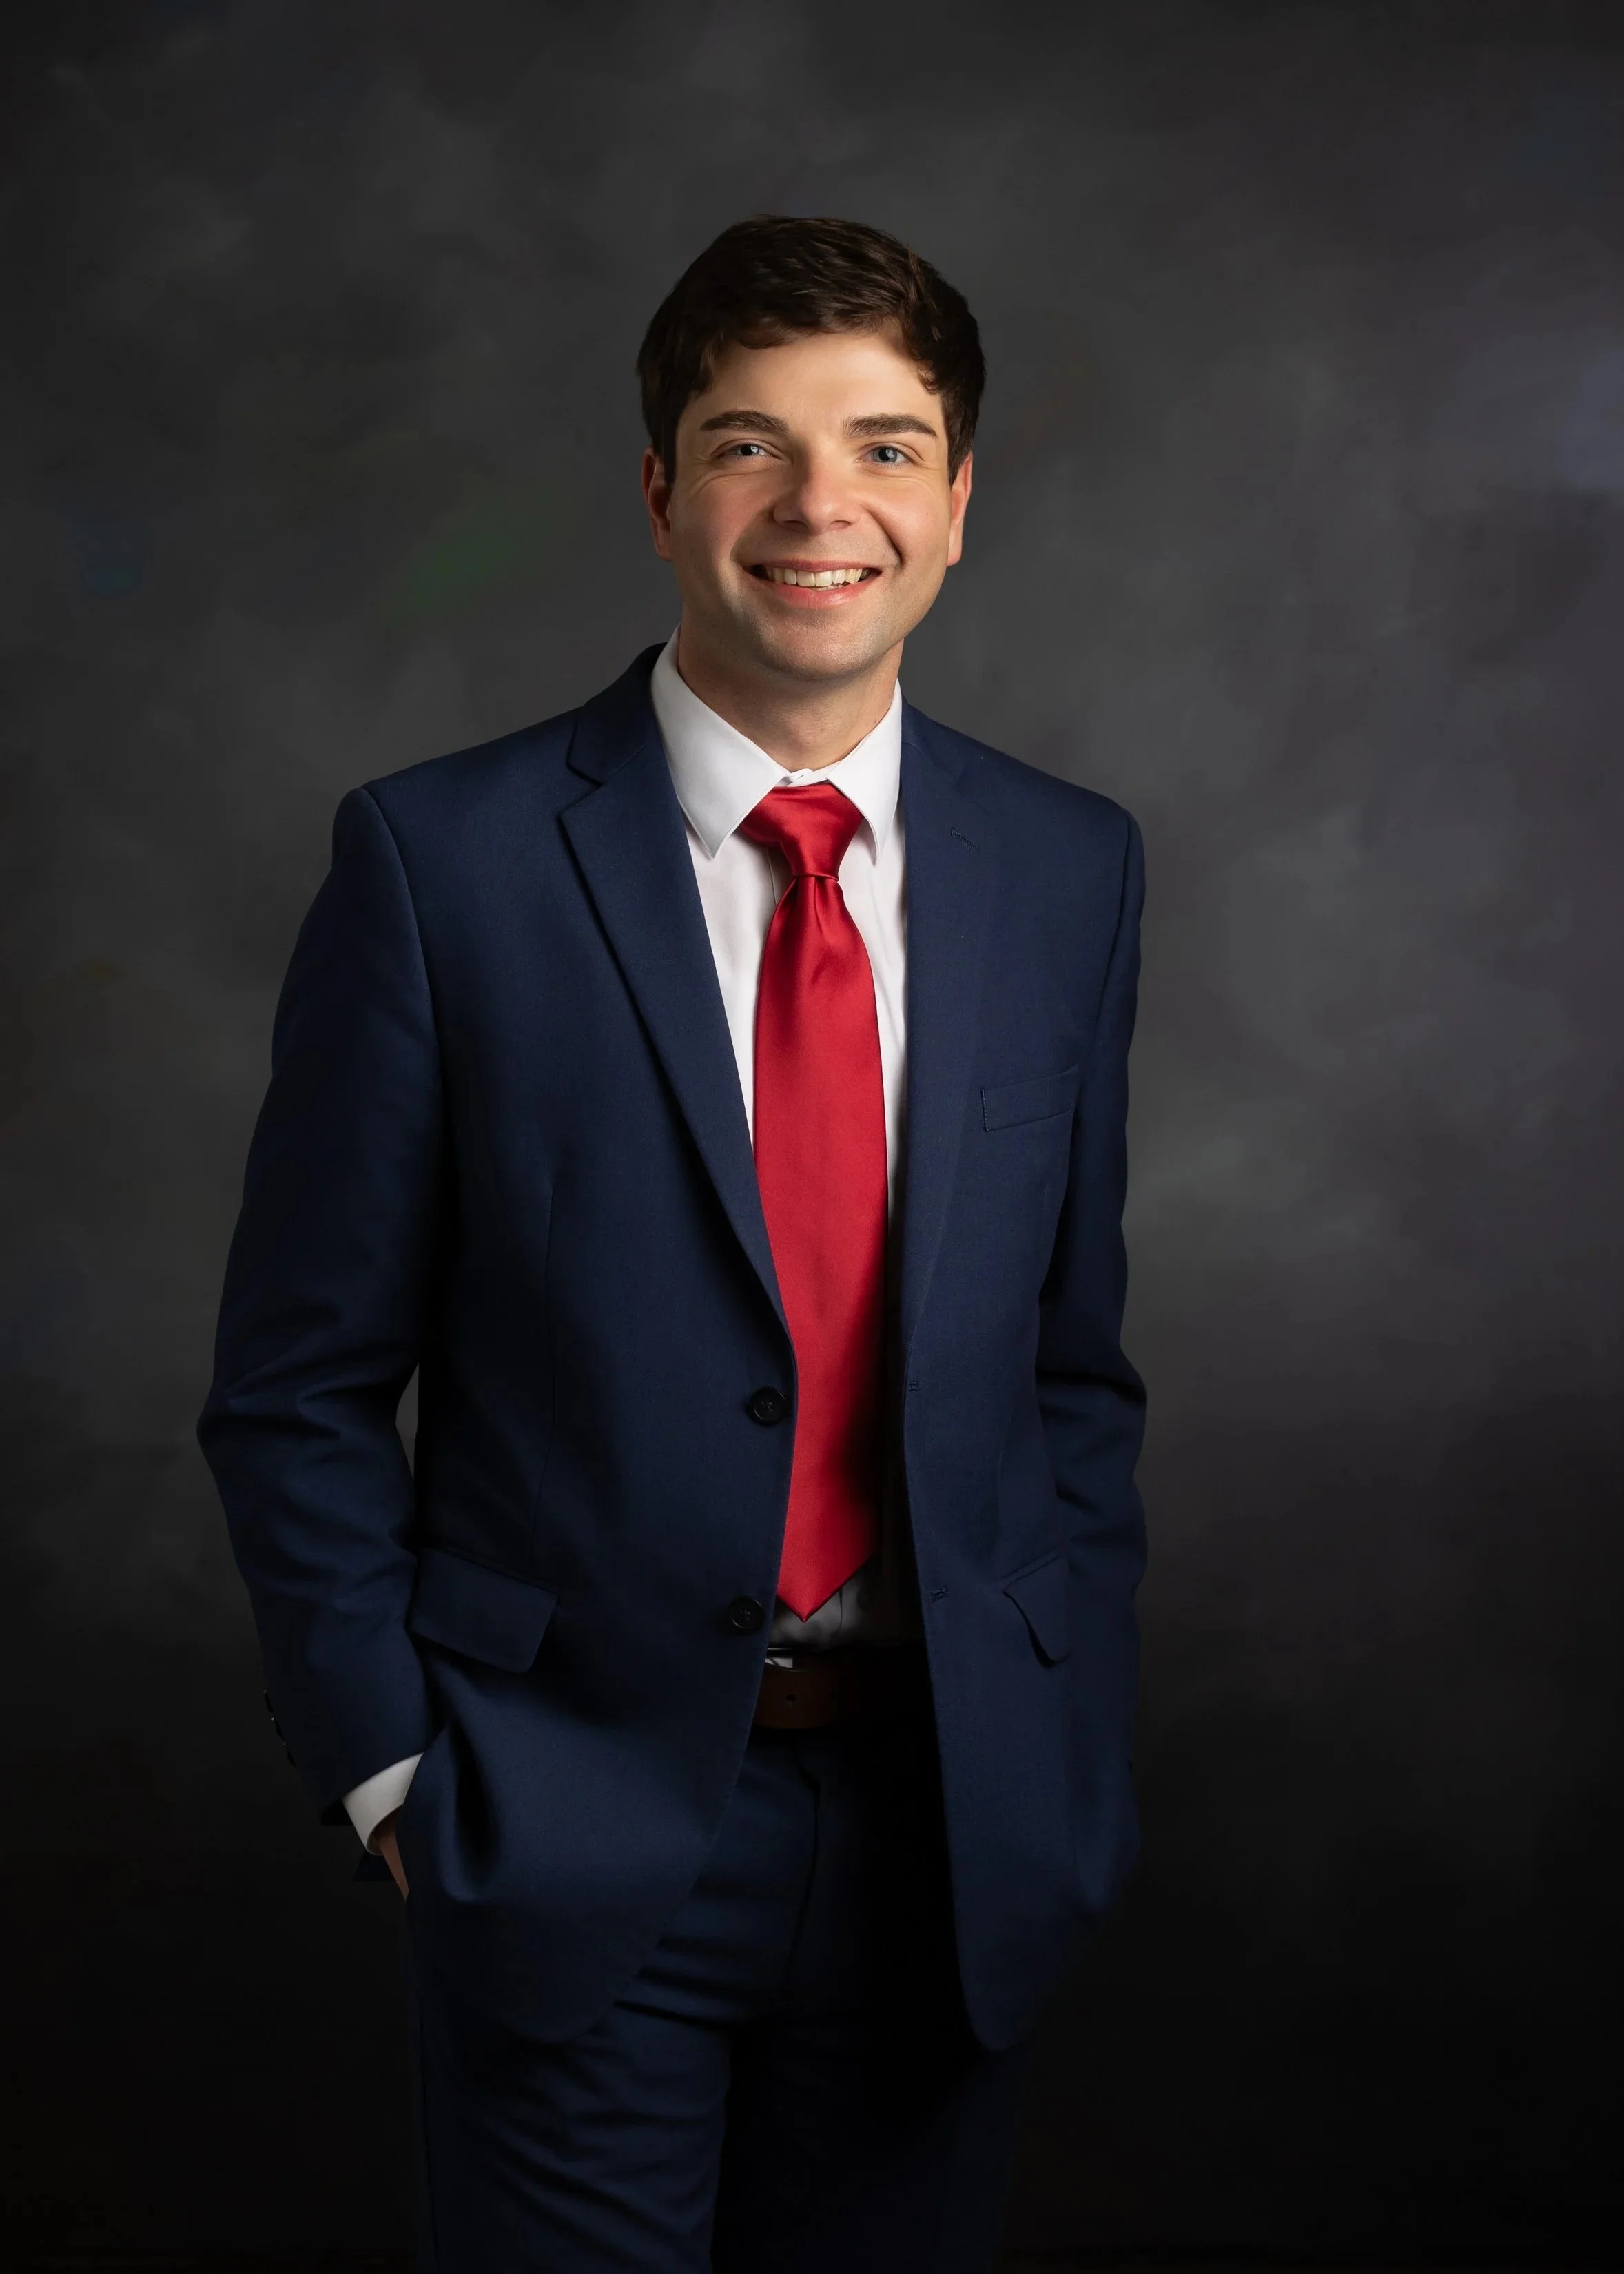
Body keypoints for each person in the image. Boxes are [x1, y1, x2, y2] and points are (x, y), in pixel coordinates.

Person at [199, 213, 1147, 2274]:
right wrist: (393, 1776)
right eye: (750, 444)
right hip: (563, 1825)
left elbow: (1070, 1369)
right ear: (658, 493)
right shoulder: (440, 864)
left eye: (886, 447)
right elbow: (293, 1387)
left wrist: (1062, 1751)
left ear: (961, 503)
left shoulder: (1069, 870)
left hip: (949, 1840)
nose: (823, 507)